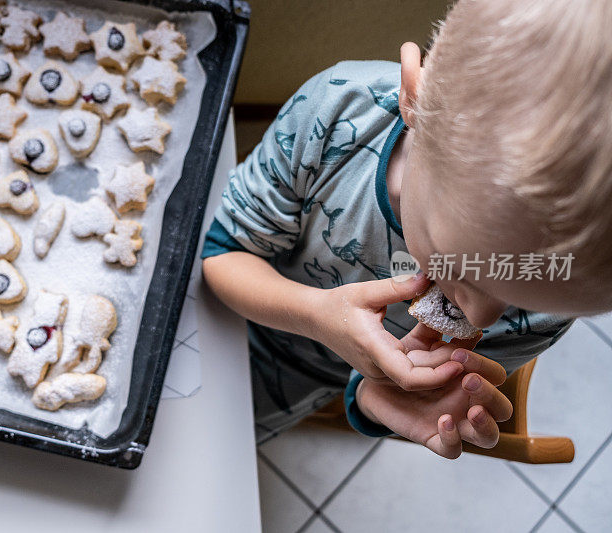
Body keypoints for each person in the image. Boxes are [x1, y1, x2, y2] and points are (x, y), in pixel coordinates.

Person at [201, 0, 612, 458]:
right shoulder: (335, 116)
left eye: (527, 294)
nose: (480, 319)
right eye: (461, 267)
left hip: (300, 381)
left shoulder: (551, 305)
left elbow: (380, 383)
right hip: (217, 306)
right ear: (413, 98)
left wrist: (374, 397)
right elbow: (221, 251)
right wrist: (316, 314)